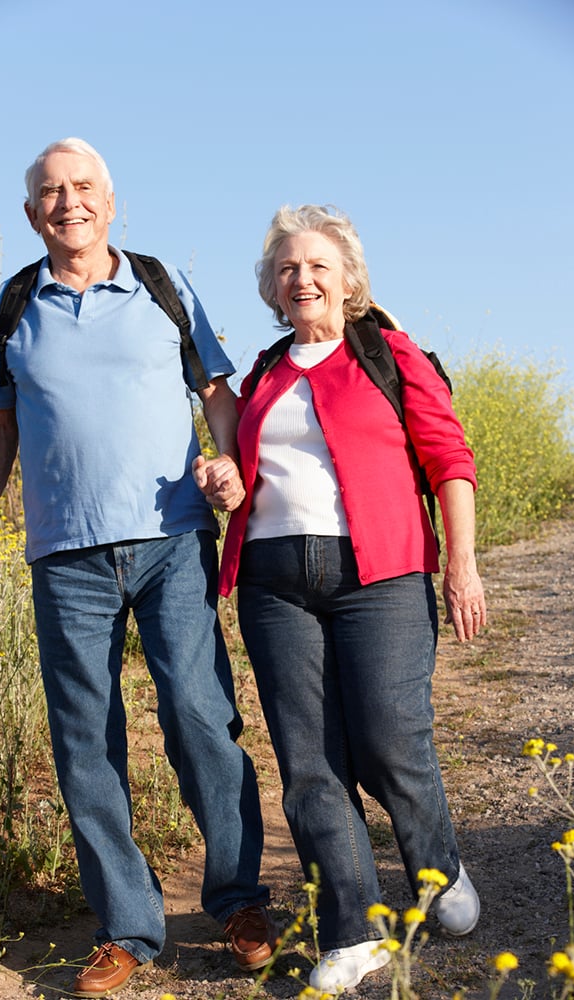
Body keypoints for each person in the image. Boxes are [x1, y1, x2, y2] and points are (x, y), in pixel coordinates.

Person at [0, 137, 276, 998]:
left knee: (201, 715)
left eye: (83, 187)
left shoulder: (163, 285)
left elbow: (216, 389)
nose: (69, 203)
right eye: (51, 193)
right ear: (32, 213)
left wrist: (228, 465)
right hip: (64, 556)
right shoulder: (11, 303)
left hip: (170, 538)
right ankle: (128, 929)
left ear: (110, 199)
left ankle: (240, 901)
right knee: (85, 742)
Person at [197, 204, 487, 995]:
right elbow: (241, 474)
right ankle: (352, 932)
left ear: (348, 280)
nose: (303, 278)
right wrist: (225, 479)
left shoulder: (389, 354)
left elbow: (448, 459)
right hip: (271, 581)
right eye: (287, 268)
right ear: (272, 288)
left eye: (318, 265)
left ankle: (436, 869)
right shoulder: (260, 374)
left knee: (392, 739)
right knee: (309, 762)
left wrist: (459, 564)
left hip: (382, 572)